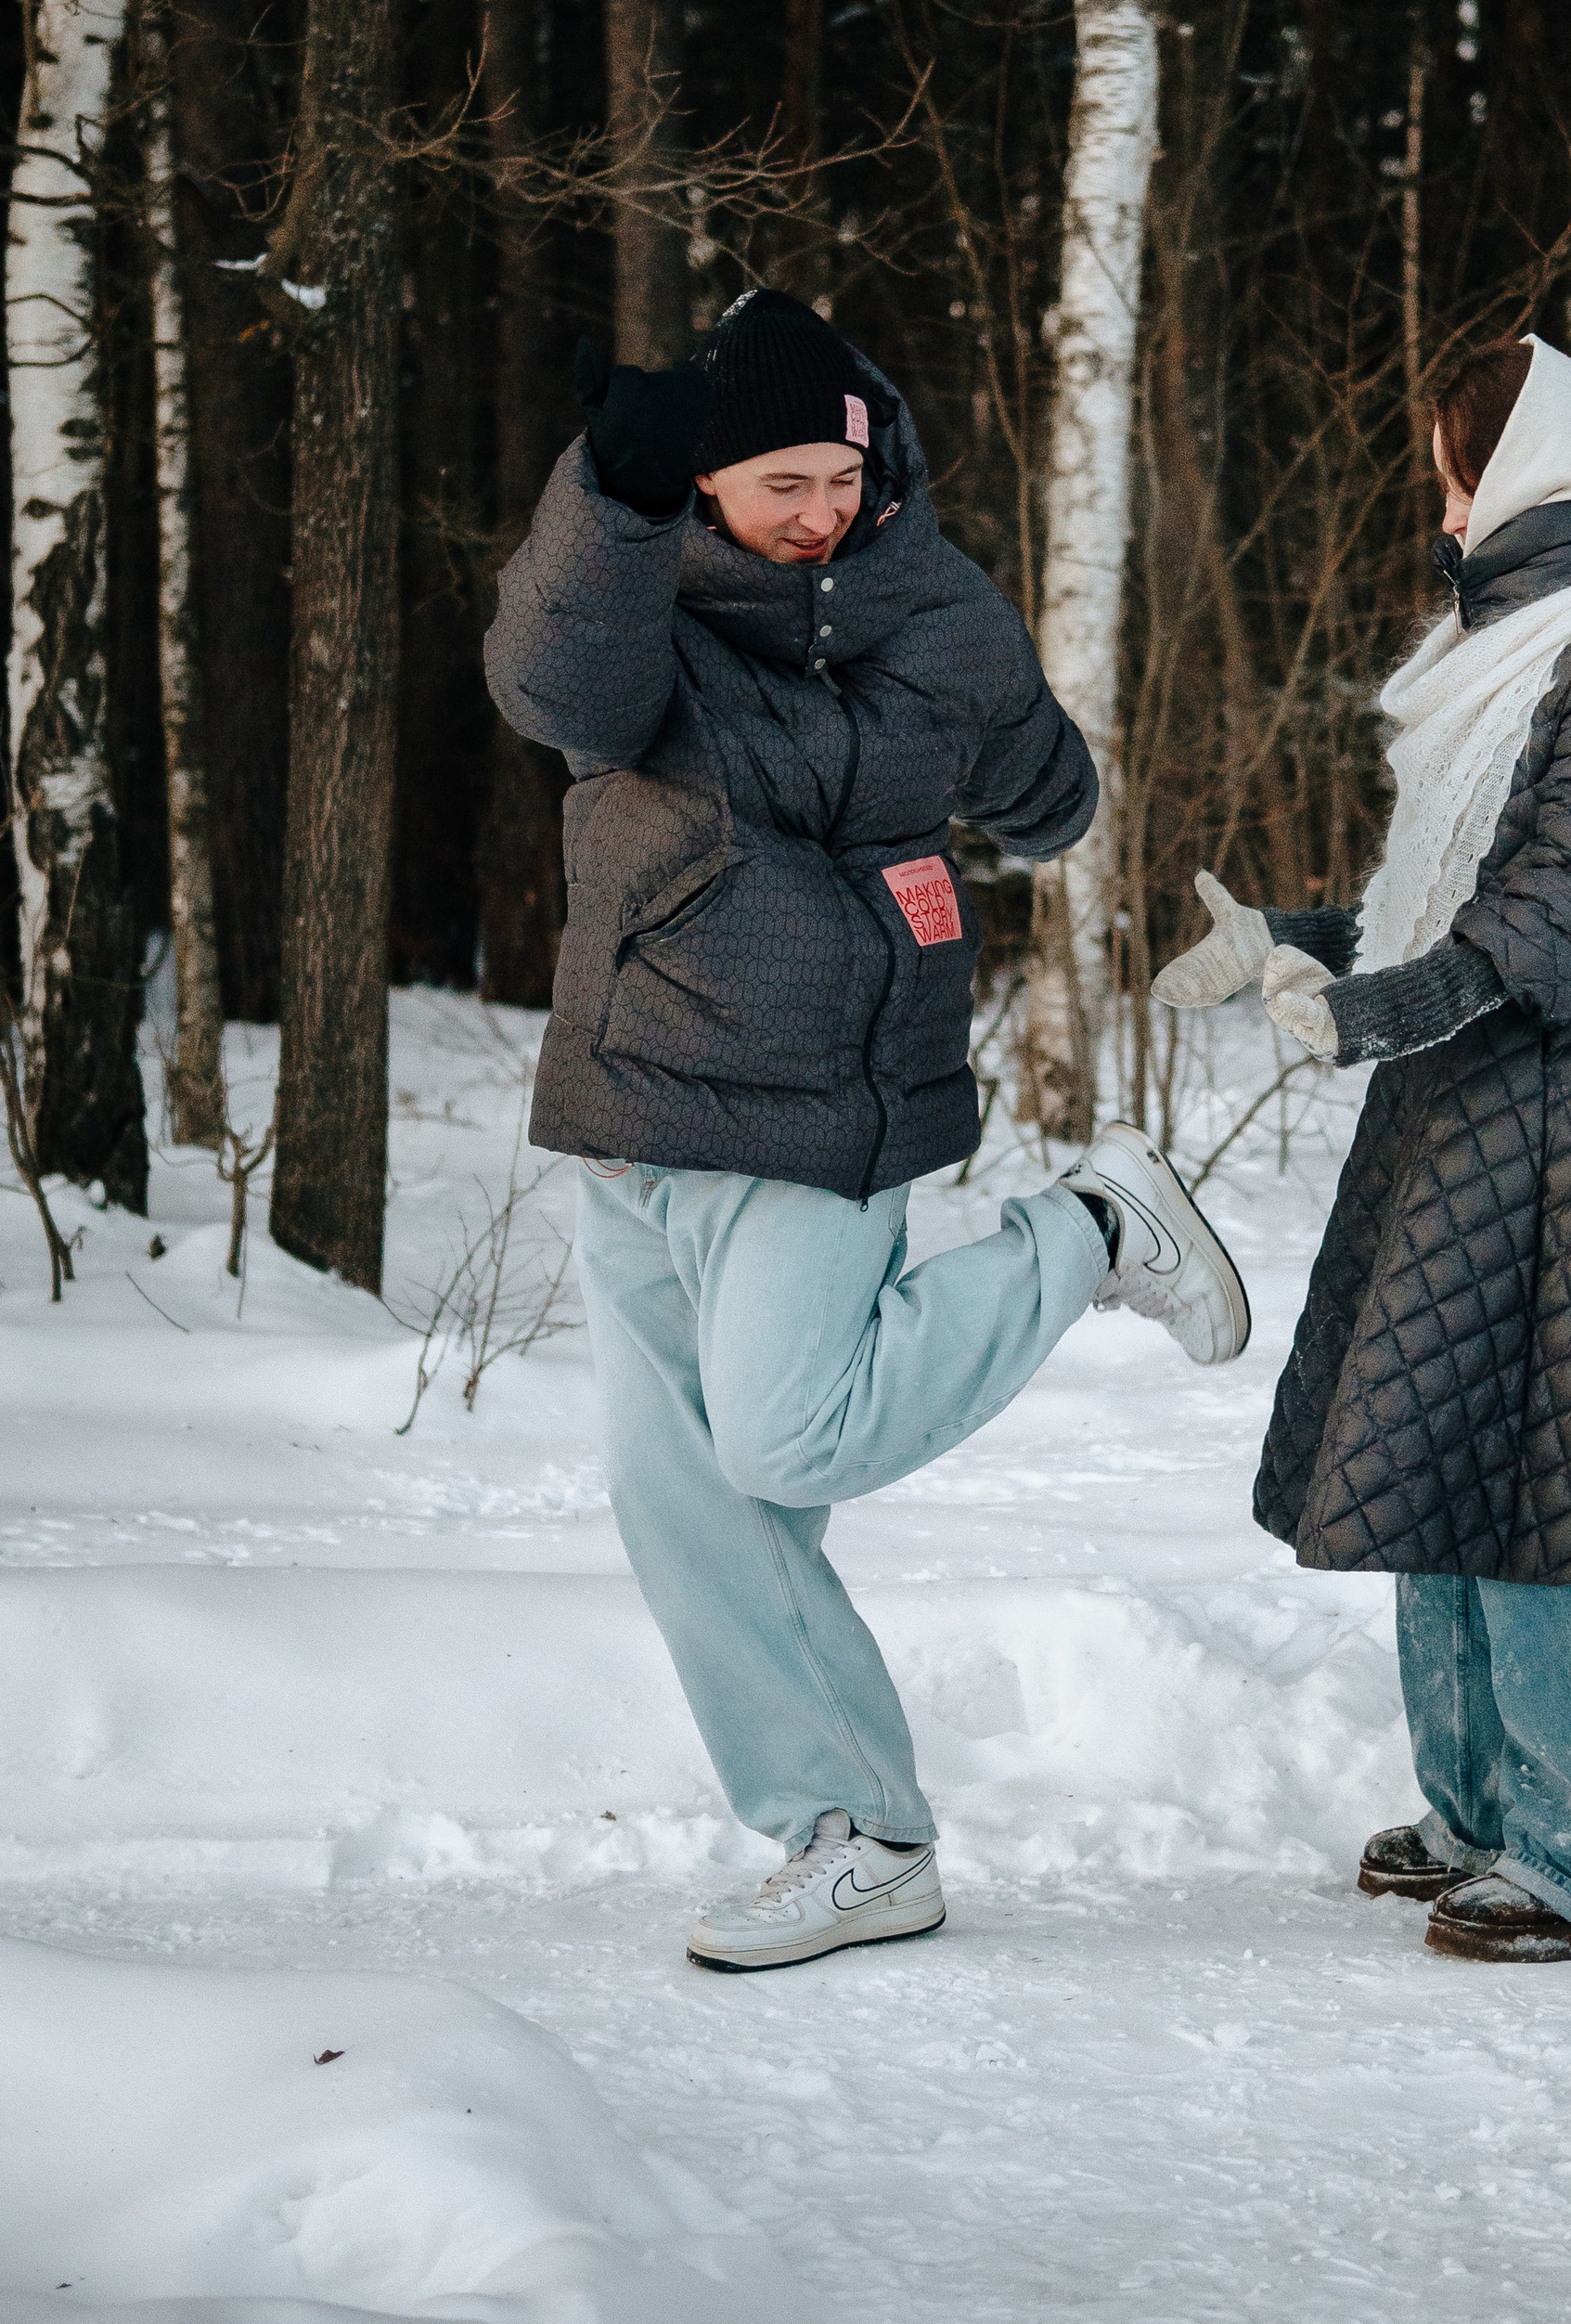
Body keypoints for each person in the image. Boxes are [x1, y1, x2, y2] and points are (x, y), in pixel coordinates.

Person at [486, 288, 1247, 1974]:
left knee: (788, 1439)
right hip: (636, 1103)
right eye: (779, 488)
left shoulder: (924, 590)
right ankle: (854, 1833)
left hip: (826, 1090)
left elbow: (1054, 803)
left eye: (834, 479)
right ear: (703, 487)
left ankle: (1097, 1232)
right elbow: (547, 684)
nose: (818, 512)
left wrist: (988, 675)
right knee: (684, 1501)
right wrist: (604, 496)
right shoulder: (645, 602)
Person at [1152, 333, 1571, 1963]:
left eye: (1451, 461)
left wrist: (1365, 1014)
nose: (1441, 490)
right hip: (1462, 1120)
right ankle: (1484, 1809)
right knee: (1441, 1469)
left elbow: (1555, 918)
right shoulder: (1504, 649)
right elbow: (1442, 901)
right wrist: (1288, 940)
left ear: (1514, 474)